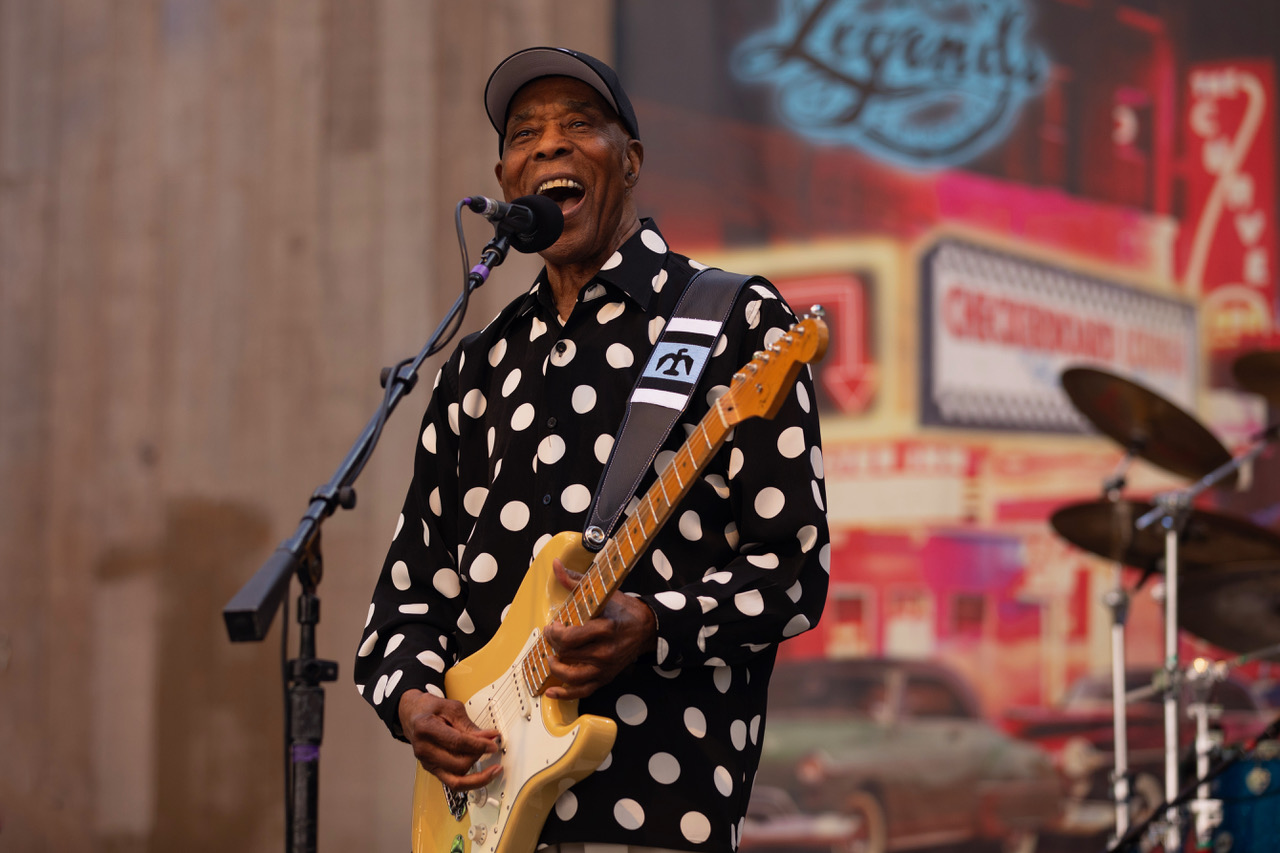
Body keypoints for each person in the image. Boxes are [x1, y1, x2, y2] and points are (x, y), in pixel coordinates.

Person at [354, 46, 830, 853]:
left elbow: (792, 570)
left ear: (631, 160)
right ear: (505, 177)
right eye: (524, 133)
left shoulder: (730, 320)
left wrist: (652, 620)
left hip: (657, 805)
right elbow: (409, 596)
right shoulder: (476, 363)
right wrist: (412, 702)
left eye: (579, 124)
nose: (548, 145)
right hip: (484, 813)